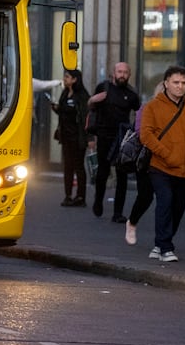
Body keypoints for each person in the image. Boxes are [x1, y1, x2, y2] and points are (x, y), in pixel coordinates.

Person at [138, 65, 185, 262]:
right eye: (176, 82)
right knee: (165, 202)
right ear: (166, 83)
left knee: (178, 208)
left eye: (184, 83)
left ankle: (160, 244)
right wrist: (166, 154)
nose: (180, 86)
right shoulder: (152, 106)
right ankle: (166, 246)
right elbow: (146, 135)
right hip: (160, 166)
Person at [88, 61, 141, 222]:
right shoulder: (103, 88)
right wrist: (92, 100)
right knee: (103, 173)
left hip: (122, 138)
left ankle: (118, 213)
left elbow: (139, 114)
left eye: (125, 72)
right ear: (113, 73)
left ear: (129, 75)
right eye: (120, 71)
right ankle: (98, 201)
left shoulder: (132, 94)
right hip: (104, 135)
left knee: (122, 175)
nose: (122, 75)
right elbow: (90, 109)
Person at [125, 82, 166, 246]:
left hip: (166, 161)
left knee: (166, 199)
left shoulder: (178, 110)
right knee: (145, 196)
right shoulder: (147, 108)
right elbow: (141, 132)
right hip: (147, 160)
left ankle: (163, 239)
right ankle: (132, 222)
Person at [52, 69, 90, 207]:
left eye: (67, 77)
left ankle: (81, 196)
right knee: (68, 166)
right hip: (66, 137)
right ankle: (67, 195)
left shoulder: (82, 96)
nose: (65, 79)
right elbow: (64, 112)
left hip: (78, 137)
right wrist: (56, 108)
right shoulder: (65, 93)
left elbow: (85, 116)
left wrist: (89, 138)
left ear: (75, 79)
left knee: (78, 166)